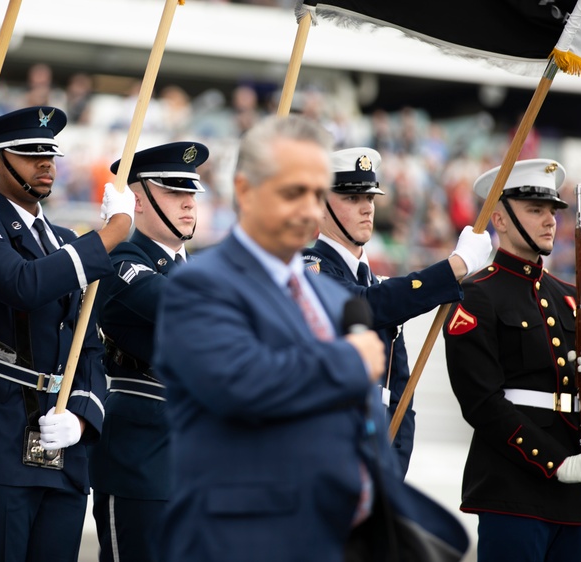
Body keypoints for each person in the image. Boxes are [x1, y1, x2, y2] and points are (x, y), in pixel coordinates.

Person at [153, 115, 468, 561]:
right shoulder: (201, 284)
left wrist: (381, 497)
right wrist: (348, 362)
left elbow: (366, 416)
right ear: (244, 190)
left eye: (317, 193)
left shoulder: (324, 292)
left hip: (331, 531)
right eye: (292, 191)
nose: (308, 207)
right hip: (239, 535)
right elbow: (240, 385)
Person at [0, 106, 135, 561]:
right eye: (29, 153)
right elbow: (25, 285)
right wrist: (113, 233)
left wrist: (80, 415)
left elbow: (89, 346)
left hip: (59, 449)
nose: (45, 164)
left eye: (50, 154)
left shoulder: (62, 239)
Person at [443, 159, 581, 561]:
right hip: (513, 488)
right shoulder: (475, 297)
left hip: (577, 494)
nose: (549, 222)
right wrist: (557, 463)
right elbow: (481, 402)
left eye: (553, 211)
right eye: (534, 210)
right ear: (500, 220)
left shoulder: (572, 298)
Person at [303, 147, 492, 474]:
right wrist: (454, 267)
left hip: (379, 459)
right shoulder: (309, 270)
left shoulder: (374, 281)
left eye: (370, 199)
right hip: (325, 460)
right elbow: (365, 306)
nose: (366, 209)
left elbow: (400, 392)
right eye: (351, 199)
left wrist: (395, 465)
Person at [88, 141, 208, 562]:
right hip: (142, 452)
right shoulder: (120, 257)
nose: (188, 204)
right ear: (137, 201)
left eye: (191, 193)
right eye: (174, 192)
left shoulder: (201, 271)